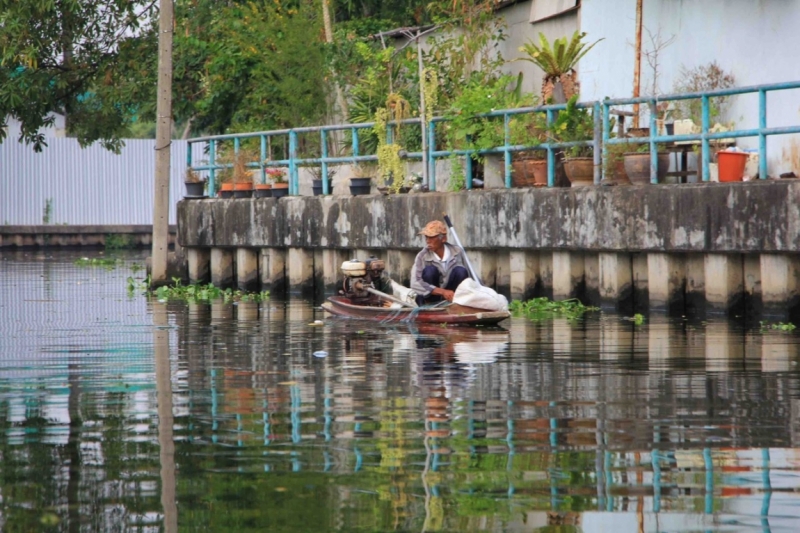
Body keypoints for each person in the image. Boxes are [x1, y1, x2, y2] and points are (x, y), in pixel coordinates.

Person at [410, 220, 470, 306]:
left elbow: (470, 277)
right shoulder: (422, 256)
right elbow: (415, 283)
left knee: (461, 271)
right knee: (430, 271)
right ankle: (430, 306)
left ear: (443, 239)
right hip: (430, 296)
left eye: (431, 238)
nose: (427, 241)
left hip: (452, 295)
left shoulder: (457, 252)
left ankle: (458, 304)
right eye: (426, 237)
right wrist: (442, 292)